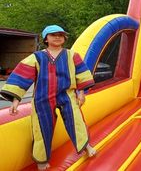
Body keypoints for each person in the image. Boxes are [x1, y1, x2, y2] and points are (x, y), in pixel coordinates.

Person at [0, 25, 96, 170]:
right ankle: (42, 160)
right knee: (42, 128)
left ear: (64, 38)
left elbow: (82, 74)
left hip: (67, 95)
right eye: (53, 35)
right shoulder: (36, 57)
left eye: (60, 35)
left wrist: (81, 93)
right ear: (46, 38)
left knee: (76, 120)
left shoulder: (72, 55)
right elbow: (22, 76)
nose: (57, 37)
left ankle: (86, 146)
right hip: (42, 97)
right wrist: (15, 100)